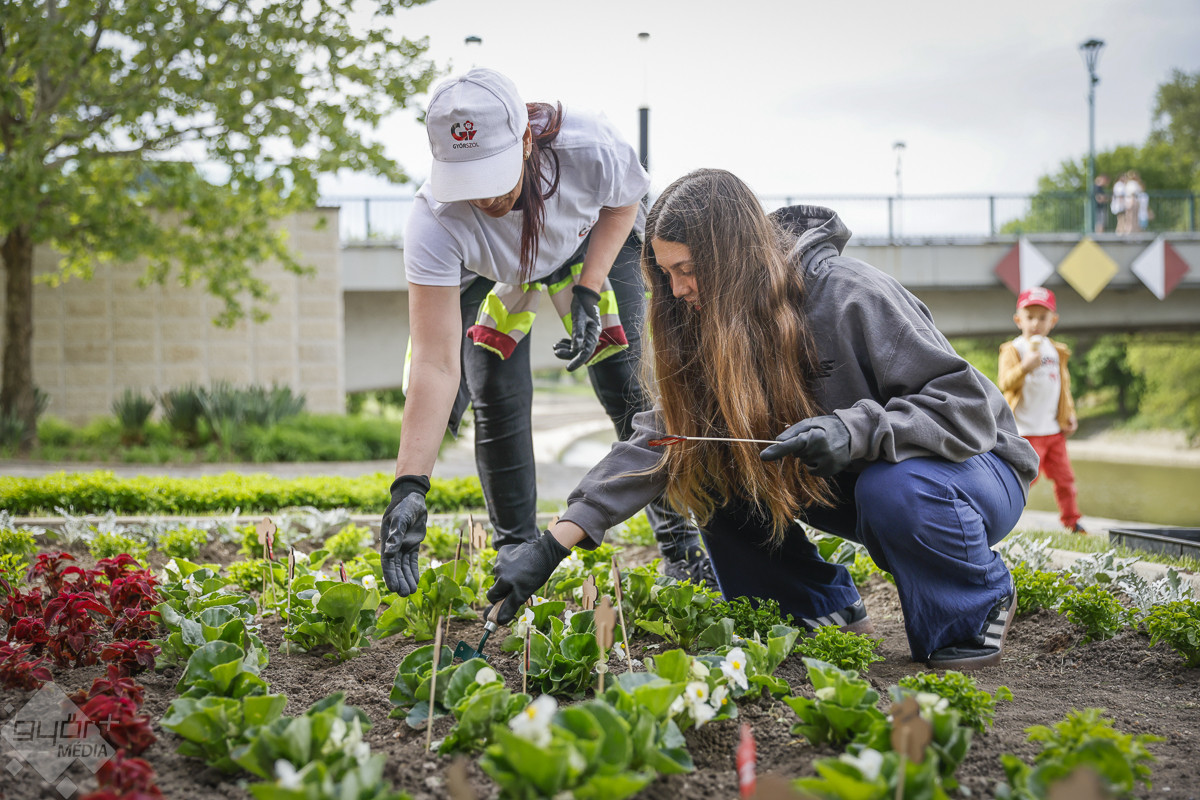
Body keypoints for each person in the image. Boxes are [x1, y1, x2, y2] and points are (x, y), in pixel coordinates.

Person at [485, 168, 1039, 670]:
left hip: (968, 472)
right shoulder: (704, 317)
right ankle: (816, 605)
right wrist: (553, 543)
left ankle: (975, 603)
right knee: (708, 468)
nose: (677, 289)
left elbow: (965, 408)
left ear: (733, 256)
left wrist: (853, 429)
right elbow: (666, 437)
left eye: (688, 270)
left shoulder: (850, 294)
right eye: (666, 272)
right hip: (856, 484)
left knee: (891, 487)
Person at [379, 68, 714, 598]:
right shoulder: (434, 222)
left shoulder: (589, 145)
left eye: (493, 177)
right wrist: (408, 486)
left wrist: (589, 289)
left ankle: (681, 547)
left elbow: (623, 202)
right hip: (488, 274)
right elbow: (435, 362)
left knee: (630, 386)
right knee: (495, 392)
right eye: (467, 182)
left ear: (526, 142)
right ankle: (515, 552)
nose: (483, 199)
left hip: (590, 244)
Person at [998, 287, 1085, 534]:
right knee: (1024, 481)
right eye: (1030, 317)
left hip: (1053, 431)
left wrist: (1069, 414)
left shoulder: (1057, 351)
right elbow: (1004, 383)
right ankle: (1001, 520)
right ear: (1018, 320)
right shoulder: (1013, 349)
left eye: (1042, 317)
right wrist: (1025, 367)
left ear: (1053, 321)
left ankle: (1072, 522)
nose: (1035, 323)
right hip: (1026, 432)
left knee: (1065, 479)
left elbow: (1062, 387)